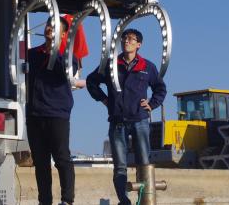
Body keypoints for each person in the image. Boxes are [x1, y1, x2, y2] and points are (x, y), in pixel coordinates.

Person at [86, 28, 166, 205]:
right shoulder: (111, 64)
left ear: (139, 44)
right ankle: (124, 201)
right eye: (124, 38)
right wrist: (104, 99)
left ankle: (145, 200)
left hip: (140, 121)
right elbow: (91, 81)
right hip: (118, 122)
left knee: (144, 163)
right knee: (120, 167)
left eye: (131, 39)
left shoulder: (147, 67)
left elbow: (160, 88)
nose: (126, 41)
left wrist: (152, 104)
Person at [26, 16, 87, 205]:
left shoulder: (69, 57)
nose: (49, 28)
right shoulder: (32, 54)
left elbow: (65, 72)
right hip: (34, 114)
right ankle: (44, 201)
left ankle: (67, 200)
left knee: (62, 158)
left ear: (62, 34)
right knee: (41, 163)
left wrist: (55, 48)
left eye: (54, 27)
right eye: (47, 25)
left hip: (57, 114)